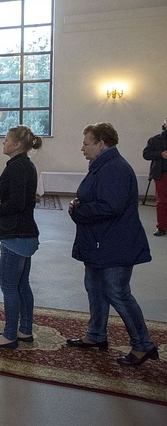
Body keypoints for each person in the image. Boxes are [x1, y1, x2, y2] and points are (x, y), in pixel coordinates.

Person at [67, 122, 158, 366]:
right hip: (101, 241)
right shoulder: (103, 165)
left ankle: (143, 345)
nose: (82, 148)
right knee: (95, 288)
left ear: (101, 144)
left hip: (115, 243)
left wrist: (79, 210)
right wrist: (81, 205)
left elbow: (110, 206)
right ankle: (96, 335)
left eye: (86, 143)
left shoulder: (113, 168)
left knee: (118, 293)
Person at [0, 126, 42, 349]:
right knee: (22, 284)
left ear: (17, 145)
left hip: (16, 234)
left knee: (9, 286)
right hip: (25, 231)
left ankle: (9, 335)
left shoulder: (17, 167)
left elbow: (17, 204)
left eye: (6, 140)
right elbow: (22, 199)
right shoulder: (25, 164)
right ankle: (24, 330)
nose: (3, 143)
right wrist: (3, 201)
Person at [142, 118, 167, 236]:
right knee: (162, 201)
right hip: (161, 173)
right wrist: (160, 154)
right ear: (164, 124)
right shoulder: (154, 140)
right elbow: (146, 154)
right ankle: (162, 226)